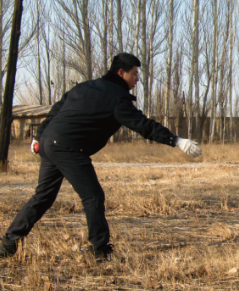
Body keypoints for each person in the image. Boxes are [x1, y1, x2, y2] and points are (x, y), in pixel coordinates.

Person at [0, 53, 201, 260]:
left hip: (49, 143)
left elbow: (57, 109)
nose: (137, 79)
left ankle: (8, 244)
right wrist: (176, 140)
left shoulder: (85, 86)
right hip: (68, 147)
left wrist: (39, 136)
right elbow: (143, 125)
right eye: (134, 74)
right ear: (121, 73)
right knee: (93, 196)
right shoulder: (117, 97)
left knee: (42, 197)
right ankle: (100, 250)